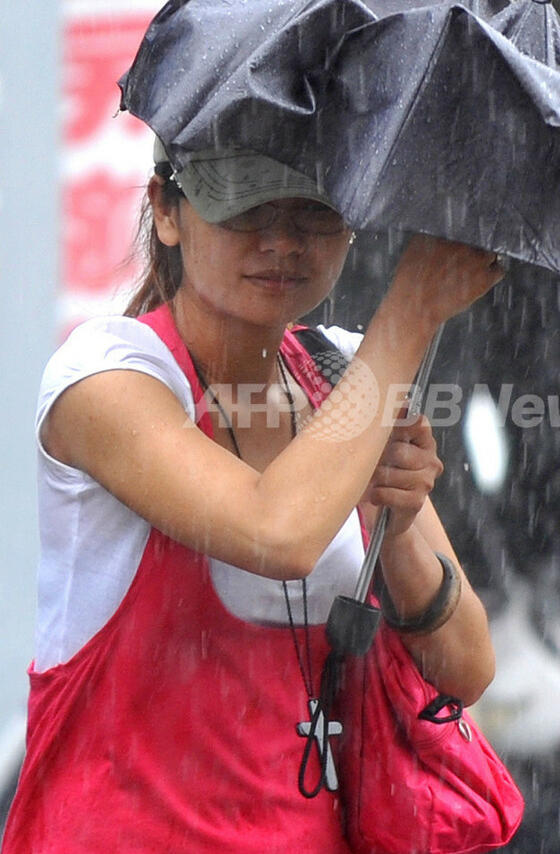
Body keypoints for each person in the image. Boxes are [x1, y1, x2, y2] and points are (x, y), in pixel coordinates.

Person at [0, 136, 503, 852]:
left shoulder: (339, 369)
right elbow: (280, 534)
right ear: (166, 211)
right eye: (245, 207)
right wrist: (412, 313)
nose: (281, 242)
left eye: (313, 212)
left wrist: (400, 519)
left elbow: (468, 668)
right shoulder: (108, 378)